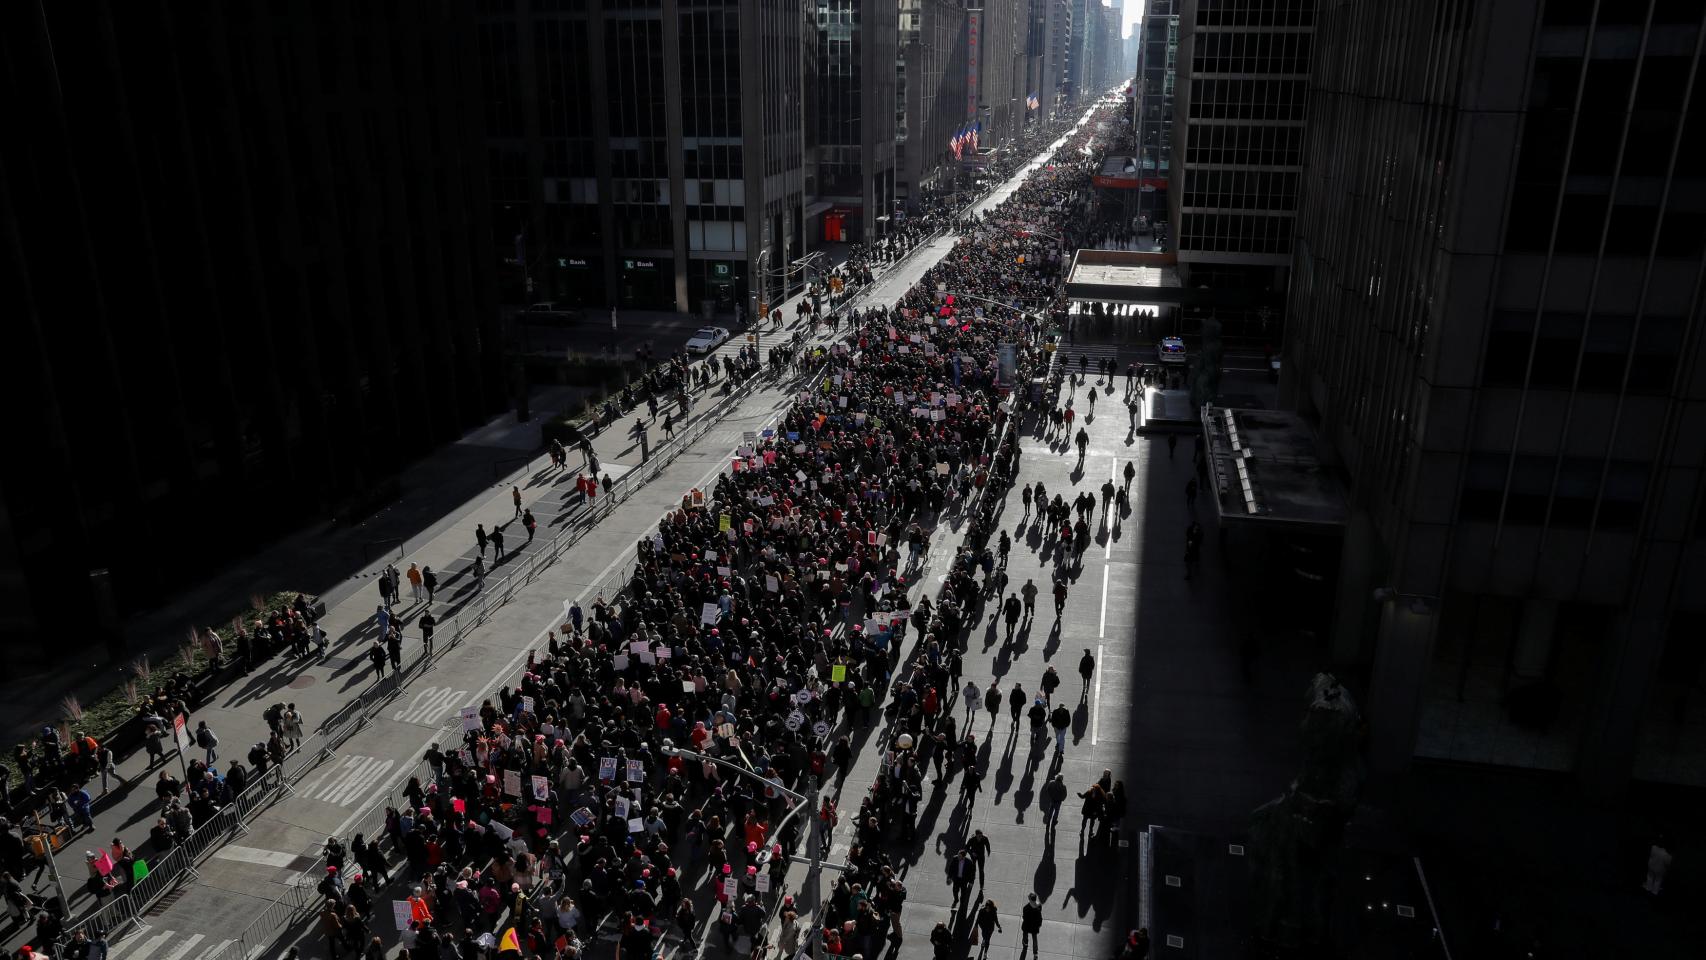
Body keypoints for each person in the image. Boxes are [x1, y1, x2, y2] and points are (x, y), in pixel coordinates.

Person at [1020, 893, 1043, 958]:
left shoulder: (1026, 908)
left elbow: (1024, 917)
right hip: (1035, 926)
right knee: (1034, 939)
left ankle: (1025, 943)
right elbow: (1039, 915)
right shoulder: (1039, 906)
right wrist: (1039, 925)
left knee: (1025, 934)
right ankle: (1035, 954)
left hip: (1027, 925)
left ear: (1030, 899)